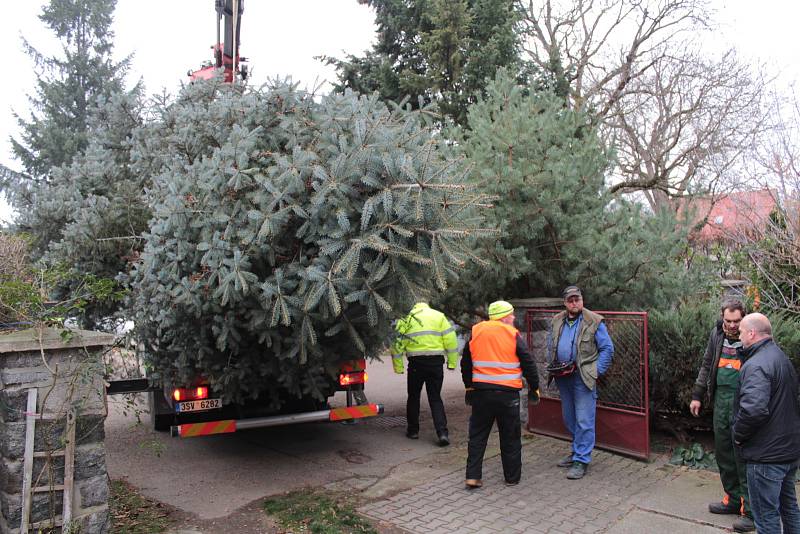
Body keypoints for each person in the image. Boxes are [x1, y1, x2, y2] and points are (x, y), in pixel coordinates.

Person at [689, 299, 754, 532]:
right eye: (728, 321)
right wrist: (697, 394)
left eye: (737, 321)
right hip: (720, 402)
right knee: (724, 453)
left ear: (744, 319)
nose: (732, 326)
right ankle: (733, 500)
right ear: (722, 318)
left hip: (742, 404)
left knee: (742, 457)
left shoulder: (751, 335)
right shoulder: (717, 334)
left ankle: (750, 511)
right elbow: (707, 364)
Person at [733, 312, 800, 534]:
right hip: (787, 451)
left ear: (752, 333)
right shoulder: (780, 357)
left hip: (766, 456)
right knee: (789, 508)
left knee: (766, 516)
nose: (739, 336)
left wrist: (738, 435)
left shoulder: (756, 365)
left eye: (741, 331)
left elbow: (753, 410)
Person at [461, 300, 540, 488]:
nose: (513, 318)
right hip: (507, 395)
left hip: (481, 393)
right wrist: (534, 387)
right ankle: (511, 478)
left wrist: (469, 387)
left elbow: (466, 363)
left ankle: (472, 476)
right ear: (504, 317)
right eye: (511, 315)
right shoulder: (512, 334)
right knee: (510, 436)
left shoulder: (476, 331)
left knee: (478, 436)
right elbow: (528, 362)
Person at [547, 285, 614, 480]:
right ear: (565, 302)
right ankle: (577, 451)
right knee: (569, 418)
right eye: (570, 300)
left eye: (577, 299)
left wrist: (595, 371)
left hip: (583, 377)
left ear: (582, 300)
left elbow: (608, 349)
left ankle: (581, 460)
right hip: (563, 377)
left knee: (584, 419)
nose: (574, 303)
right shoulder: (557, 320)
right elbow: (552, 343)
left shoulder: (594, 321)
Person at [391, 302, 458, 446]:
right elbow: (451, 340)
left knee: (414, 397)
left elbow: (396, 344)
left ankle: (413, 431)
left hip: (416, 364)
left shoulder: (407, 318)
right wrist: (452, 363)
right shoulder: (439, 316)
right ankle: (442, 433)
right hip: (435, 363)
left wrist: (399, 367)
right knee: (435, 398)